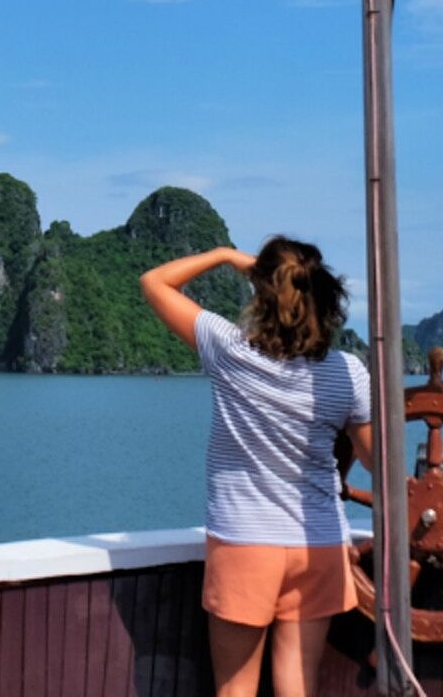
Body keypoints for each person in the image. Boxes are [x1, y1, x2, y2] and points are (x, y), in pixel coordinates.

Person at [140, 237, 375, 697]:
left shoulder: (230, 352)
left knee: (236, 689)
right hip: (319, 542)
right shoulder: (347, 371)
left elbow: (154, 282)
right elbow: (376, 460)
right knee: (297, 684)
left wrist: (225, 256)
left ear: (261, 294)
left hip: (246, 541)